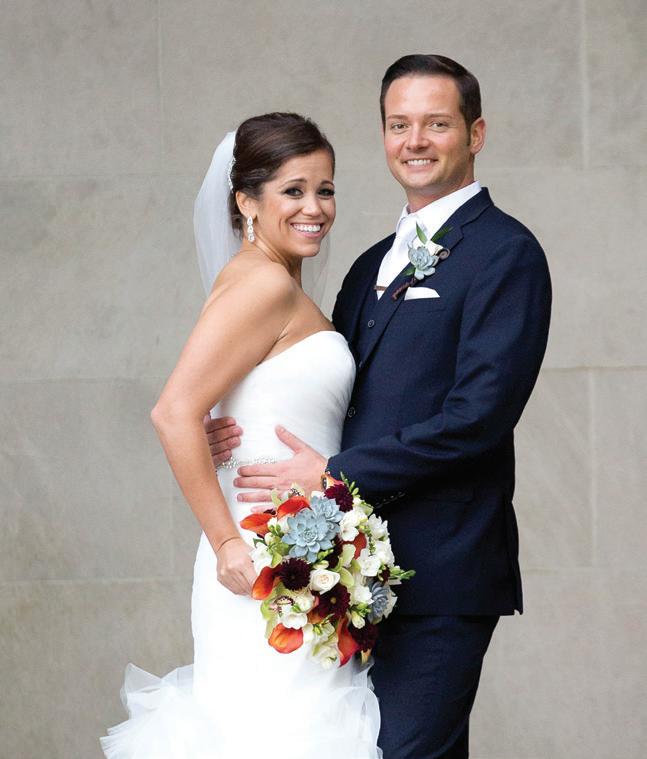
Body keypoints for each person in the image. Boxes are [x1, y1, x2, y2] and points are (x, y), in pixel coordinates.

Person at [206, 55, 552, 758]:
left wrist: (334, 473)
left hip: (442, 568)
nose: (414, 140)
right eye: (399, 124)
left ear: (475, 133)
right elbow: (339, 397)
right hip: (351, 575)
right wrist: (238, 423)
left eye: (436, 124)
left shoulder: (506, 252)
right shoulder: (369, 264)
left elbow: (478, 418)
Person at [100, 113, 381, 758]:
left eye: (325, 189)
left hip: (298, 557)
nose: (315, 208)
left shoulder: (264, 279)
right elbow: (174, 411)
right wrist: (228, 542)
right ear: (246, 201)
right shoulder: (264, 283)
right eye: (293, 190)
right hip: (258, 560)